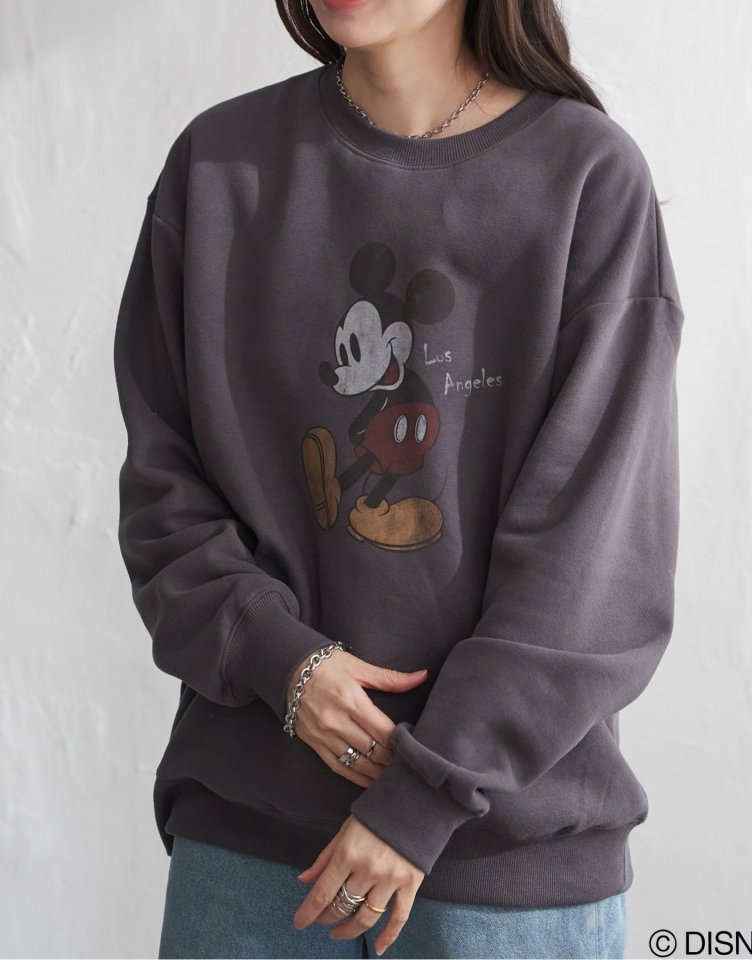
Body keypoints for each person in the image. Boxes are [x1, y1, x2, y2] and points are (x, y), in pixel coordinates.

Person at [112, 0, 685, 957]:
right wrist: (280, 662)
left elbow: (597, 563)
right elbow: (162, 493)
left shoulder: (587, 178)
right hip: (249, 855)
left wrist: (425, 794)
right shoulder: (217, 171)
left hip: (501, 872)